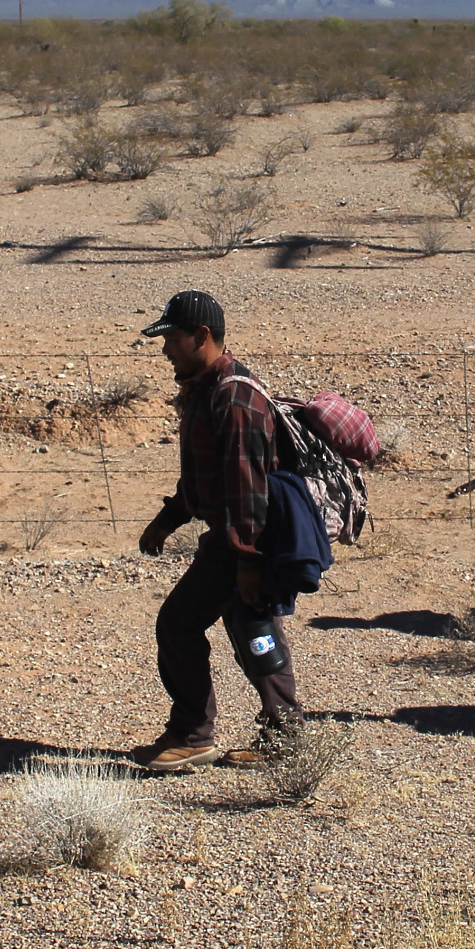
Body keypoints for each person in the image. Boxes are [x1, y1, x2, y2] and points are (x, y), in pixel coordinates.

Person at [131, 290, 301, 771]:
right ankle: (286, 734)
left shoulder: (235, 398)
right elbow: (205, 476)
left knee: (179, 624)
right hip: (235, 540)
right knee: (255, 631)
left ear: (201, 336)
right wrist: (168, 521)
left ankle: (192, 733)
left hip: (240, 541)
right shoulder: (208, 391)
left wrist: (248, 559)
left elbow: (247, 487)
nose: (165, 350)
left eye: (173, 339)